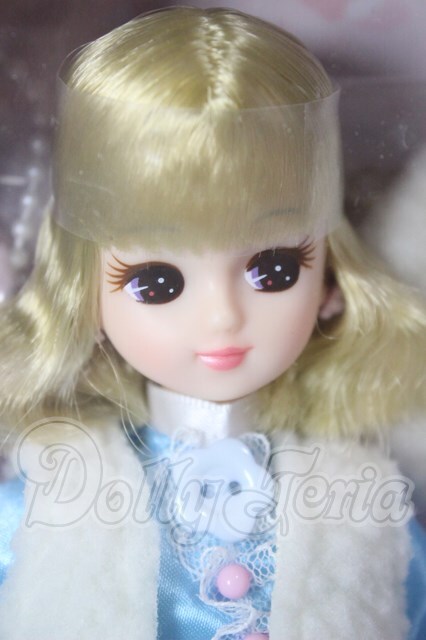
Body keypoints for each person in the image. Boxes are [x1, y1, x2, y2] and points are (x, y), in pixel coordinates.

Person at [0, 7, 425, 639]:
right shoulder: (44, 502)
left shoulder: (370, 508)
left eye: (275, 270)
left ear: (332, 280)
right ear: (82, 292)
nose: (223, 316)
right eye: (157, 283)